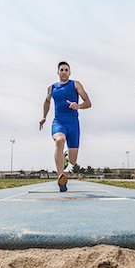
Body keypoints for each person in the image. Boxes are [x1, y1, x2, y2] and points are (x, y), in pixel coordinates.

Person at [39, 61, 91, 192]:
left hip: (73, 124)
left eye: (66, 70)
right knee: (59, 140)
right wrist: (44, 117)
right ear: (58, 72)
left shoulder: (75, 84)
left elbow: (88, 103)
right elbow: (46, 101)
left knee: (73, 161)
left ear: (69, 72)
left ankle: (66, 158)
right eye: (61, 70)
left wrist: (78, 106)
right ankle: (60, 176)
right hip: (59, 123)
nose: (63, 72)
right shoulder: (52, 88)